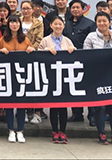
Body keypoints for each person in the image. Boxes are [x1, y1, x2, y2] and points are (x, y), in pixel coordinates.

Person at [83, 12, 112, 146]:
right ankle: (101, 133)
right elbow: (86, 56)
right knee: (100, 107)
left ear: (109, 23)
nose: (102, 23)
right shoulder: (91, 37)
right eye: (99, 21)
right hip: (98, 77)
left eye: (104, 21)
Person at [0, 14, 34, 143]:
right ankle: (11, 130)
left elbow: (32, 53)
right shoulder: (3, 39)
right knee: (9, 105)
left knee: (21, 105)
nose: (14, 24)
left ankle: (20, 131)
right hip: (8, 76)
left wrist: (31, 49)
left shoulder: (25, 39)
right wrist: (0, 51)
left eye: (17, 22)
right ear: (8, 24)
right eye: (12, 22)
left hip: (22, 76)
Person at [38, 16, 76, 144]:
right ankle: (54, 131)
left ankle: (63, 132)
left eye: (60, 24)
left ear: (64, 26)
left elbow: (76, 56)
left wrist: (72, 50)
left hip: (64, 77)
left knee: (63, 106)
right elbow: (38, 54)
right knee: (53, 105)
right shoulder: (45, 40)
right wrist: (46, 50)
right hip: (51, 76)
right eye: (55, 24)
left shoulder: (67, 41)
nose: (58, 26)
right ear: (51, 26)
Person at [63, 0, 96, 123]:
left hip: (86, 60)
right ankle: (77, 113)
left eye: (78, 7)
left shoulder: (90, 24)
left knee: (89, 87)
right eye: (73, 7)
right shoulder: (66, 24)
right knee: (74, 87)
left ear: (83, 9)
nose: (75, 10)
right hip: (70, 61)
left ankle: (92, 115)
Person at [20, 0, 44, 124]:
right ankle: (23, 112)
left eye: (28, 8)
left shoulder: (38, 23)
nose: (26, 11)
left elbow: (39, 39)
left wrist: (32, 48)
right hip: (19, 56)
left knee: (35, 84)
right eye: (24, 8)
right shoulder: (17, 21)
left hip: (34, 56)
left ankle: (37, 113)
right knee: (22, 84)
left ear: (32, 9)